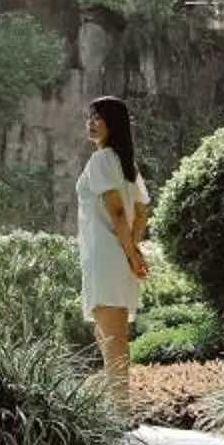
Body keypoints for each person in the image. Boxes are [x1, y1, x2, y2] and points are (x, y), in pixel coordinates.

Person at [76, 95, 153, 405]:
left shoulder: (101, 160)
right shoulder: (125, 164)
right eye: (90, 117)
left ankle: (119, 410)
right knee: (111, 332)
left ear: (113, 123)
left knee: (112, 336)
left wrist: (130, 253)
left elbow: (118, 212)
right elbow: (142, 211)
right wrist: (132, 248)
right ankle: (116, 405)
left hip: (106, 256)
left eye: (98, 117)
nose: (91, 123)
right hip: (116, 256)